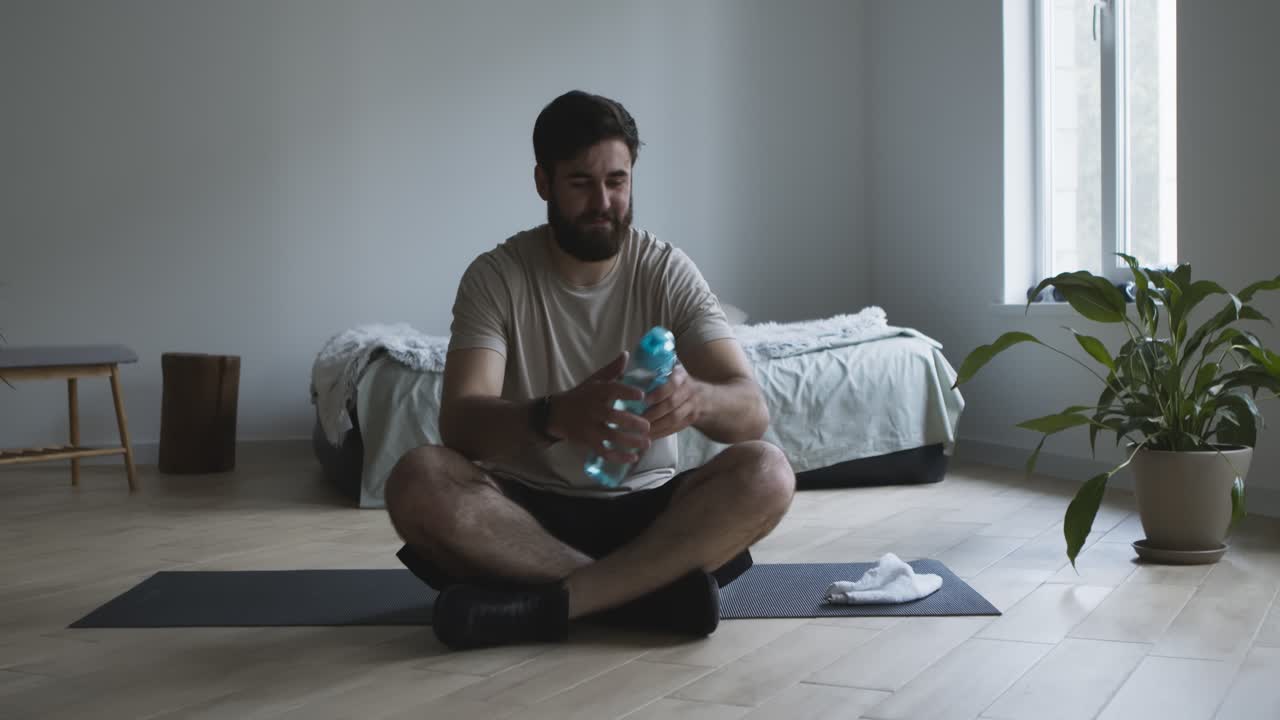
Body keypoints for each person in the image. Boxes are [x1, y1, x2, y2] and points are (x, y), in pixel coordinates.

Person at [385, 90, 796, 650]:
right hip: (523, 515)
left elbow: (751, 412)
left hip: (650, 513)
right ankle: (642, 595)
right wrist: (552, 417)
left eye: (617, 181)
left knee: (769, 472)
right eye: (581, 183)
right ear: (544, 183)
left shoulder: (667, 270)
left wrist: (698, 399)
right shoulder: (496, 277)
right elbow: (459, 423)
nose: (603, 201)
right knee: (416, 479)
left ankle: (550, 605)